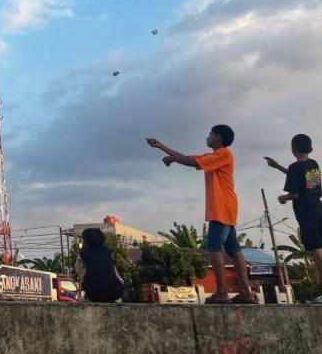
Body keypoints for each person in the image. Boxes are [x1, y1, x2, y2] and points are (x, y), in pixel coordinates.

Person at [147, 125, 258, 304]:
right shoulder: (215, 156)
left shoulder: (223, 154)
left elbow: (191, 162)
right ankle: (246, 293)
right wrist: (173, 158)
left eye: (210, 134)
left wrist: (161, 146)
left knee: (215, 247)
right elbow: (190, 158)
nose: (207, 137)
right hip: (227, 207)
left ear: (218, 137)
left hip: (220, 208)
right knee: (234, 250)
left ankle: (222, 292)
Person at [264, 134, 322, 303]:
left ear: (294, 148)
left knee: (316, 248)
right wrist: (277, 166)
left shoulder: (296, 167)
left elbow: (295, 193)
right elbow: (303, 180)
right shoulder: (313, 164)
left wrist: (282, 198)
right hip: (318, 207)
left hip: (305, 212)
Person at [75, 228, 124, 303]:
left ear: (87, 242)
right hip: (116, 293)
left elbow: (82, 275)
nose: (83, 243)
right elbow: (115, 274)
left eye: (83, 240)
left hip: (94, 295)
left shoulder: (82, 255)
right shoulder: (107, 252)